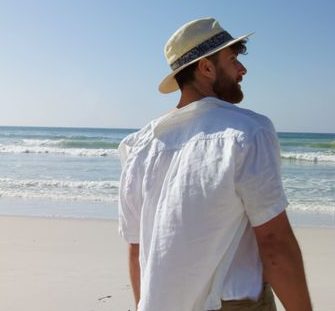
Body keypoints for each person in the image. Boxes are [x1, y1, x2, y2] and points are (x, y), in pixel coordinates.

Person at [118, 18, 312, 311]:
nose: (242, 69)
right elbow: (274, 244)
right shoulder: (247, 132)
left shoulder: (139, 145)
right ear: (206, 68)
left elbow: (137, 250)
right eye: (233, 59)